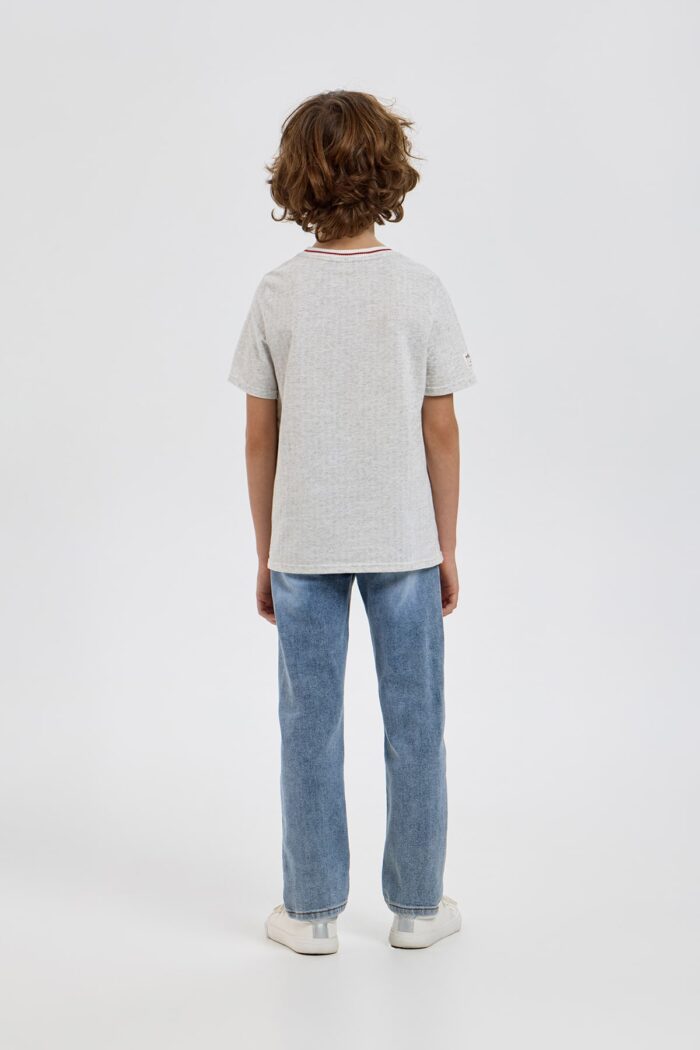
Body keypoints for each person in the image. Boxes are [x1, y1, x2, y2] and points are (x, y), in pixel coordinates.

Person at [229, 90, 476, 954]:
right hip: (405, 540)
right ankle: (418, 909)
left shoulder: (278, 293)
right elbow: (441, 429)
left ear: (295, 180)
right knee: (417, 724)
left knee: (309, 728)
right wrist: (446, 545)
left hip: (304, 544)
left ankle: (310, 914)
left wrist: (266, 551)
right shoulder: (419, 290)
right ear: (390, 174)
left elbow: (259, 436)